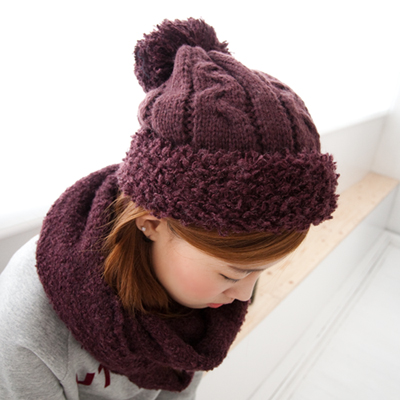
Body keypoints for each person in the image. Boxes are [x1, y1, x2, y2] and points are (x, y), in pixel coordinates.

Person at [0, 18, 338, 399]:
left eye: (258, 272)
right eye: (232, 273)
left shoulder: (207, 296)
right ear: (151, 222)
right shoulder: (31, 317)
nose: (245, 296)